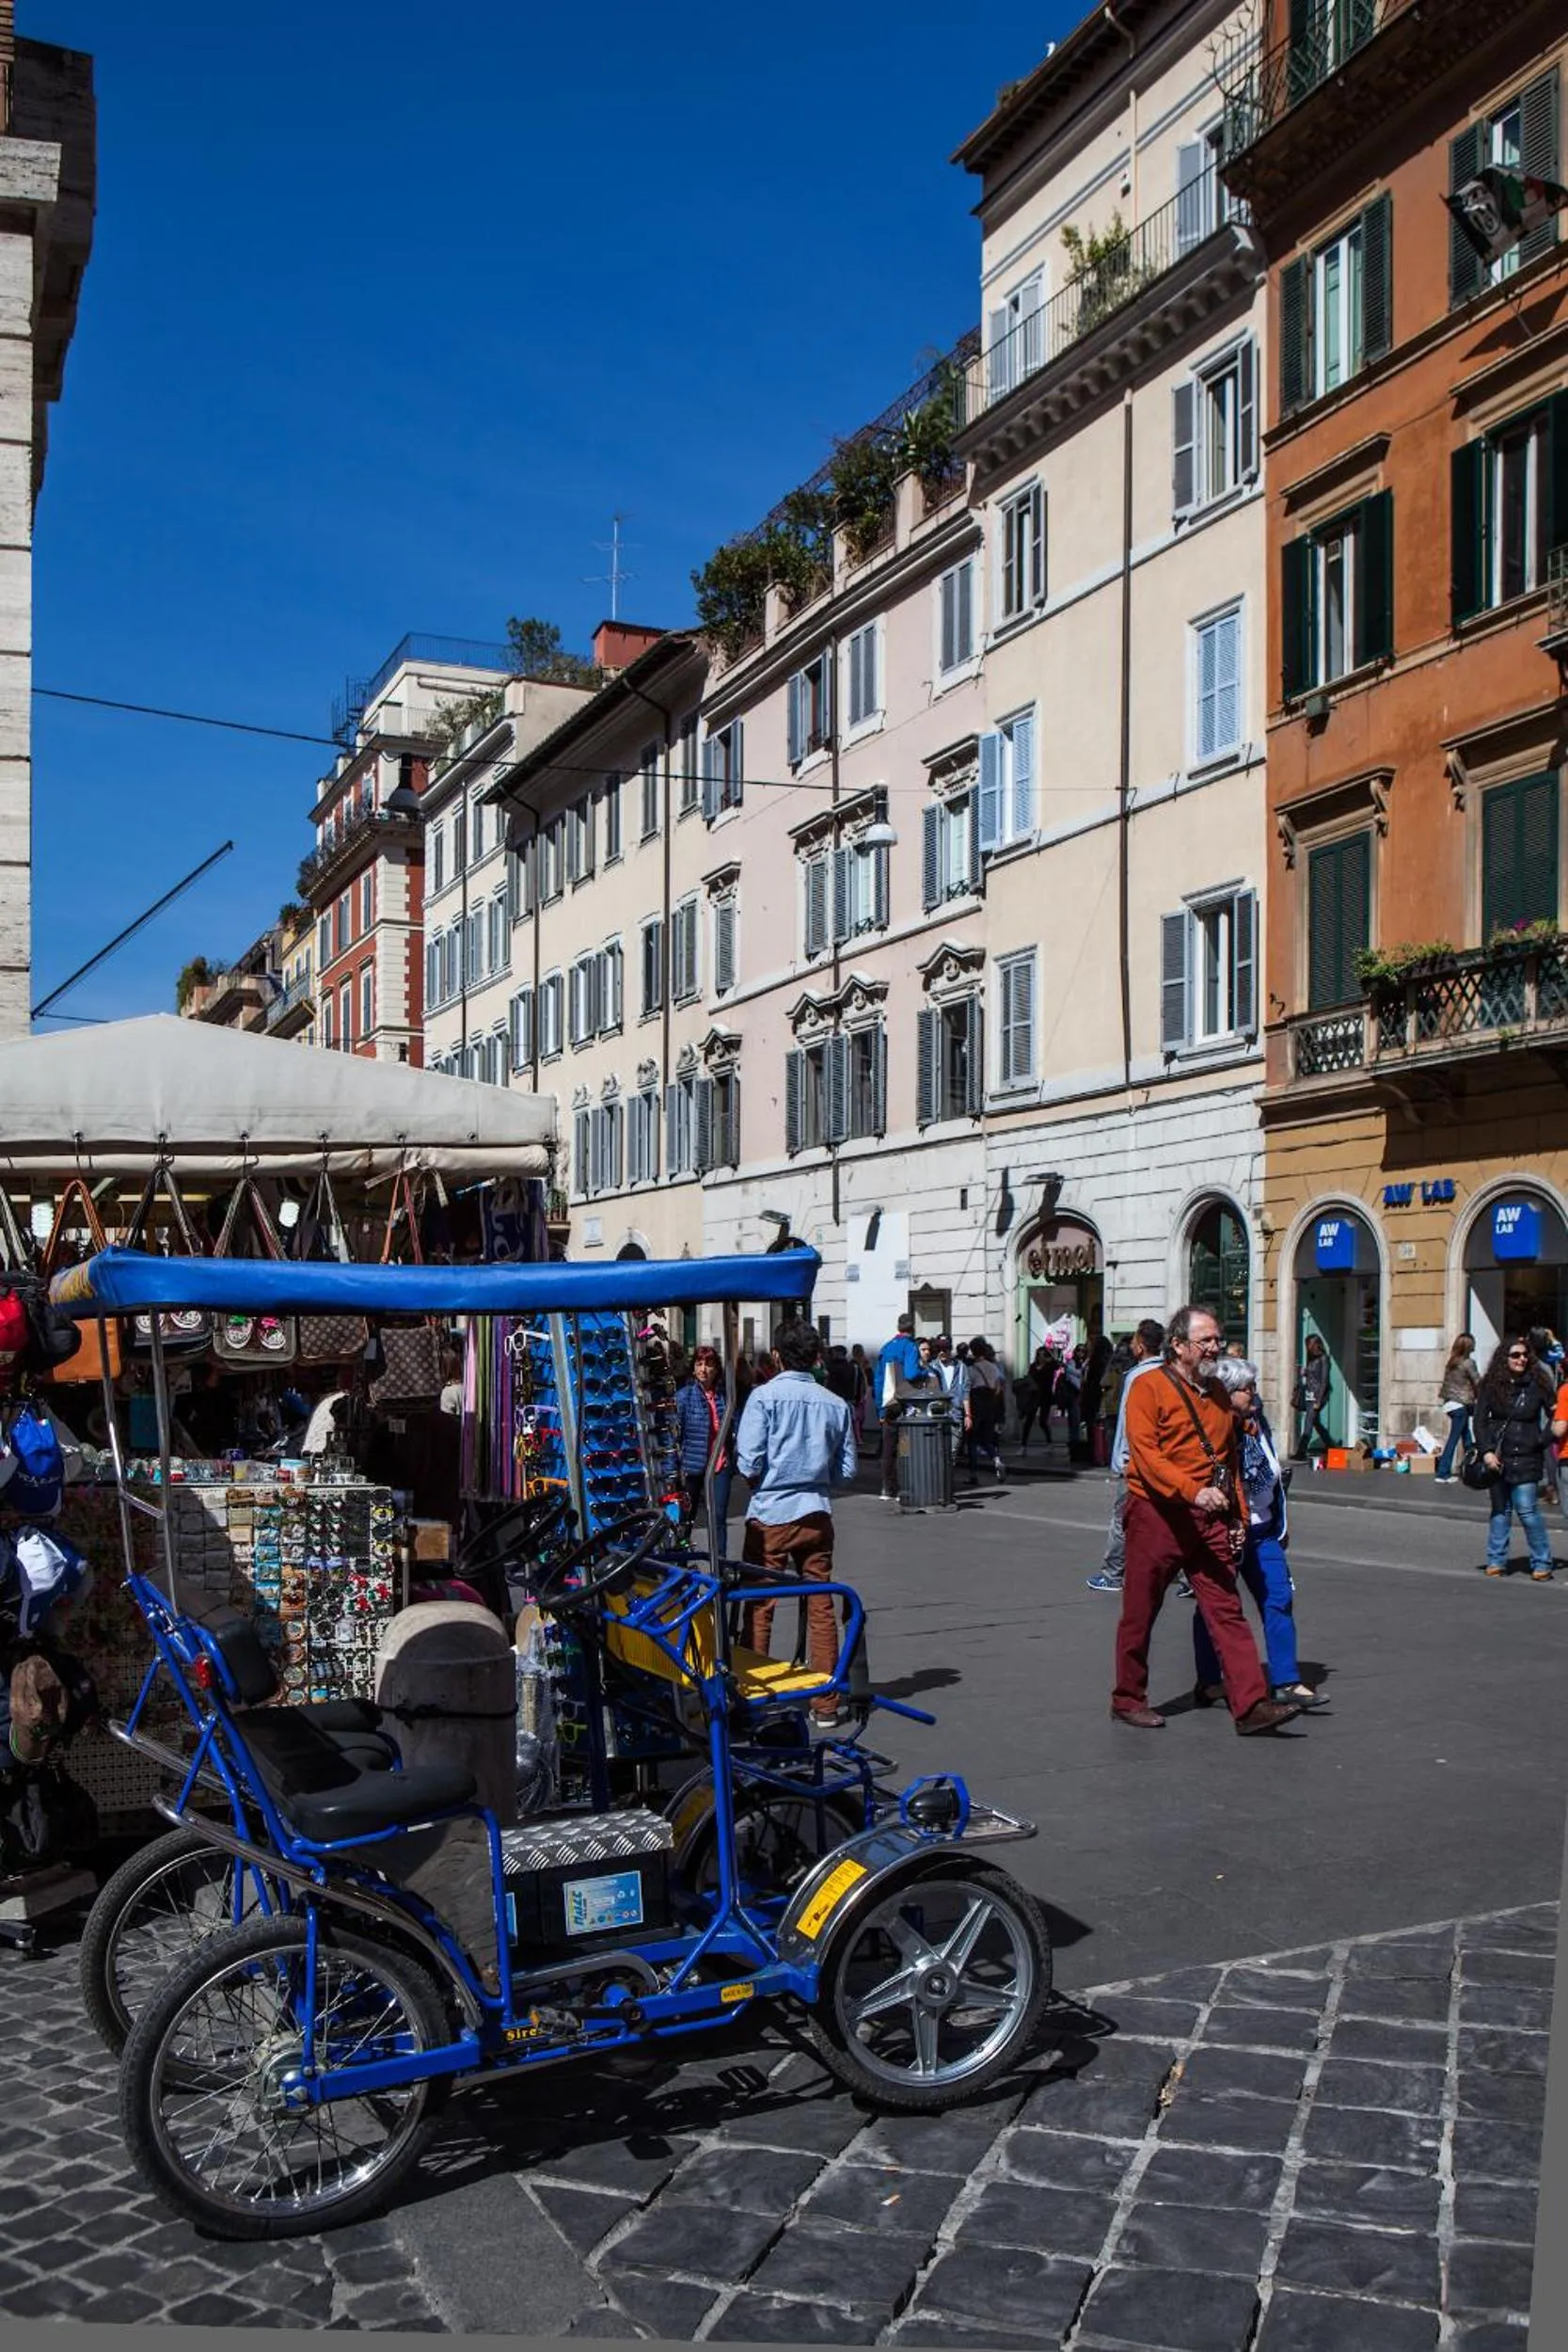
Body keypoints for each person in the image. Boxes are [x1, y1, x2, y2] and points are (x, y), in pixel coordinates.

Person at [1111, 1305, 1302, 1735]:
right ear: (1178, 1346)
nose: (1215, 1347)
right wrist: (1192, 1490)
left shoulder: (1216, 1392)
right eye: (1206, 1341)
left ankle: (1250, 1704)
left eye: (1217, 1338)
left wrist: (1236, 1514)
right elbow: (1147, 1456)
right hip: (1157, 1514)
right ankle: (1127, 1698)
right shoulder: (1148, 1388)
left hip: (1209, 1515)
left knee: (1226, 1607)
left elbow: (1227, 1460)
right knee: (1140, 1612)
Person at [736, 1320, 858, 1729]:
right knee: (821, 1605)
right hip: (816, 1511)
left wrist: (765, 1479)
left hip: (771, 1511)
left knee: (760, 1606)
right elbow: (846, 1470)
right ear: (817, 1357)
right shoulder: (835, 1403)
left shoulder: (763, 1397)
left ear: (776, 1356)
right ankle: (825, 1705)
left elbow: (748, 1461)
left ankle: (754, 1698)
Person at [1193, 1358, 1321, 1708]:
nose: (1253, 1394)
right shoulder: (1213, 1429)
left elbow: (1273, 1475)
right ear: (1225, 1393)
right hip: (1226, 1530)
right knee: (1217, 1607)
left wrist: (1282, 1525)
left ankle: (1286, 1680)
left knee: (1278, 1598)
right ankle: (1209, 1681)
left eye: (1253, 1387)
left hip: (1263, 1531)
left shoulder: (1256, 1422)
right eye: (1245, 1389)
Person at [1087, 1318, 1167, 1595]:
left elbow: (1126, 1422)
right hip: (1166, 1460)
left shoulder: (1135, 1377)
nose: (1132, 1345)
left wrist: (1119, 1459)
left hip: (1135, 1460)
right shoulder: (1172, 1373)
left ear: (1141, 1345)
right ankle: (1186, 1578)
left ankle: (1112, 1574)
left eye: (1134, 1340)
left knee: (1123, 1518)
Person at [1475, 1338, 1556, 1581]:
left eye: (1525, 1355)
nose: (1522, 1359)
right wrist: (1486, 1451)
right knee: (1500, 1510)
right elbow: (1479, 1421)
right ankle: (1496, 1560)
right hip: (1499, 1457)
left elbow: (1556, 1415)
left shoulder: (1538, 1384)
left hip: (1528, 1456)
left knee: (1528, 1510)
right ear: (1504, 1358)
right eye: (1516, 1355)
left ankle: (1542, 1562)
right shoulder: (1491, 1385)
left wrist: (1542, 1439)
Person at [674, 1344, 732, 1565]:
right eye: (699, 1364)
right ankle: (680, 1562)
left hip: (720, 1465)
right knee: (685, 1519)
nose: (704, 1369)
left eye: (708, 1364)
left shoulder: (724, 1397)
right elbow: (674, 1436)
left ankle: (721, 1564)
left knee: (717, 1517)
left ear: (716, 1368)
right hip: (693, 1466)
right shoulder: (685, 1397)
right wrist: (673, 1471)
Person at [875, 1314, 922, 1503]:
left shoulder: (886, 1348)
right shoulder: (910, 1346)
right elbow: (911, 1373)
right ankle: (904, 1487)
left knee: (888, 1448)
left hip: (888, 1404)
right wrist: (923, 1372)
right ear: (913, 1328)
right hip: (905, 1404)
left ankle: (887, 1487)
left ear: (898, 1327)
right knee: (905, 1446)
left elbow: (878, 1380)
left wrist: (880, 1409)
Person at [1434, 1333, 1479, 1484]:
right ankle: (1442, 1473)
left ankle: (1470, 1468)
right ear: (1468, 1346)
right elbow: (1477, 1382)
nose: (1475, 1345)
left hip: (1450, 1404)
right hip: (1461, 1405)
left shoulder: (1452, 1362)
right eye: (1473, 1343)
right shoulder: (1468, 1363)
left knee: (1466, 1437)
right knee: (1454, 1440)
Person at [964, 1338, 1007, 1485]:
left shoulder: (971, 1369)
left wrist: (967, 1411)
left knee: (972, 1441)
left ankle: (973, 1474)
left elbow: (967, 1391)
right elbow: (998, 1387)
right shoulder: (993, 1367)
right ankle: (996, 1460)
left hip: (976, 1404)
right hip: (990, 1405)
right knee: (986, 1439)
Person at [930, 1335, 971, 1479]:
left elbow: (966, 1391)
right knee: (938, 1451)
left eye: (945, 1348)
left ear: (950, 1349)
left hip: (955, 1413)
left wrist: (968, 1415)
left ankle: (945, 1483)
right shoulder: (932, 1367)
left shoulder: (961, 1367)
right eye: (938, 1349)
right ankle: (940, 1484)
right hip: (937, 1415)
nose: (941, 1352)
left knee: (952, 1452)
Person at [1291, 1335, 1332, 1461]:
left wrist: (1318, 1401)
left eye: (1310, 1344)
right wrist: (1305, 1372)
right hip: (1310, 1393)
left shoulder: (1324, 1359)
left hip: (1318, 1396)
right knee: (1315, 1422)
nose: (1308, 1347)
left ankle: (1301, 1452)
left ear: (1316, 1345)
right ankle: (1331, 1446)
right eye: (1307, 1344)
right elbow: (1313, 1376)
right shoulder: (1312, 1359)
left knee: (1309, 1422)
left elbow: (1324, 1381)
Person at [1018, 1345, 1058, 1453]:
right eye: (1039, 1354)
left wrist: (1052, 1357)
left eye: (1043, 1354)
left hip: (1046, 1396)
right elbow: (1029, 1378)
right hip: (1034, 1396)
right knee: (1029, 1421)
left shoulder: (1050, 1366)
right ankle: (1023, 1446)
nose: (1041, 1357)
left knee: (1042, 1421)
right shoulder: (1033, 1366)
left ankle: (1049, 1443)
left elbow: (1057, 1365)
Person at [849, 1343, 874, 1452]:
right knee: (858, 1417)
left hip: (861, 1392)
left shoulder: (861, 1363)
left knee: (859, 1417)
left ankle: (858, 1436)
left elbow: (868, 1377)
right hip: (859, 1392)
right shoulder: (854, 1364)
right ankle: (858, 1438)